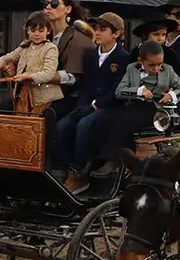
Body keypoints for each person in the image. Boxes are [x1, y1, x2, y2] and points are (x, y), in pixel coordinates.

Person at [85, 39, 180, 179]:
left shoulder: (167, 70)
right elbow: (119, 91)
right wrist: (139, 91)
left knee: (126, 120)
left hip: (157, 110)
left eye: (159, 64)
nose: (156, 68)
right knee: (104, 119)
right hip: (135, 105)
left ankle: (114, 161)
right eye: (152, 65)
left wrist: (170, 95)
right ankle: (95, 159)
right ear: (141, 61)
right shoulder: (132, 69)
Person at [55, 12, 131, 193]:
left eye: (103, 29)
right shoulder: (90, 55)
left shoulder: (123, 58)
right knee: (62, 125)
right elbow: (86, 84)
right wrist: (82, 105)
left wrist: (96, 105)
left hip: (110, 106)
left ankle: (77, 173)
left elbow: (117, 89)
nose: (97, 32)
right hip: (88, 103)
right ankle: (59, 169)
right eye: (96, 28)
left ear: (116, 33)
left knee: (85, 125)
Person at [0, 11, 62, 114]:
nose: (36, 34)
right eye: (33, 30)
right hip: (23, 95)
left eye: (41, 30)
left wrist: (29, 76)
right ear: (27, 31)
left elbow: (49, 74)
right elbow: (8, 58)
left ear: (48, 31)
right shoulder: (25, 47)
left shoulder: (50, 48)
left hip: (44, 99)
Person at [43, 0, 95, 120]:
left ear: (67, 9)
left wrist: (44, 75)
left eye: (54, 4)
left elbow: (74, 77)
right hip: (40, 93)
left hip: (69, 98)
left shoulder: (78, 38)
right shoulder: (40, 35)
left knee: (48, 113)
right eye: (45, 4)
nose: (48, 7)